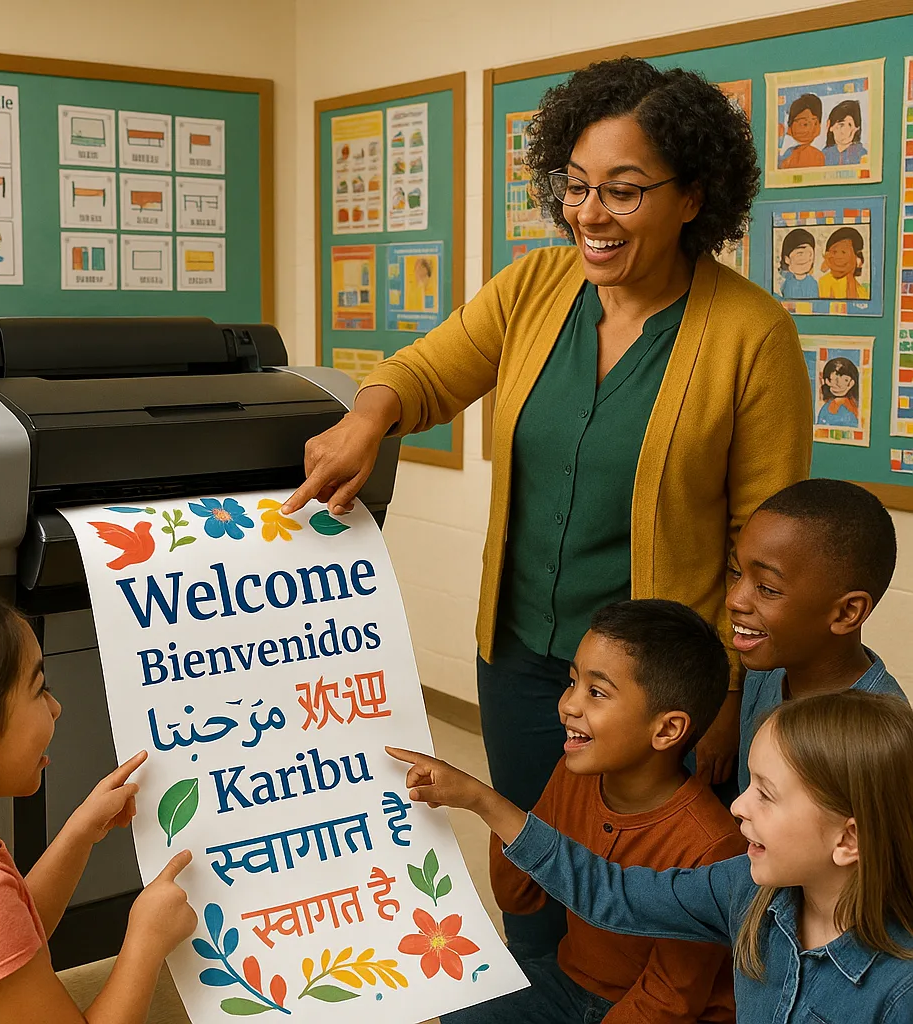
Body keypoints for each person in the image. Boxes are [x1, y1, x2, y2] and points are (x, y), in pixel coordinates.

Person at [283, 56, 812, 956]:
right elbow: (424, 370)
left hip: (661, 689)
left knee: (644, 904)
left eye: (623, 189)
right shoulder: (534, 289)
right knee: (528, 866)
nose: (589, 213)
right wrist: (369, 415)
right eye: (575, 185)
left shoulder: (751, 335)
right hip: (525, 660)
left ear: (694, 196)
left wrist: (729, 691)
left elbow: (767, 554)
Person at [388, 689, 913, 1024]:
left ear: (848, 841)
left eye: (766, 795)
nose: (737, 805)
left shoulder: (899, 991)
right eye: (748, 783)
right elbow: (610, 893)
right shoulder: (747, 888)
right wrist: (483, 801)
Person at [0, 587, 197, 1024]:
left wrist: (79, 833)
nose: (55, 707)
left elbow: (10, 936)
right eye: (38, 689)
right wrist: (145, 940)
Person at [442, 600, 745, 1024]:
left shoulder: (713, 846)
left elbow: (669, 1001)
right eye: (572, 681)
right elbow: (518, 897)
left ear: (668, 729)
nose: (568, 704)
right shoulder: (575, 774)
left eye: (596, 692)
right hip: (568, 983)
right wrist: (492, 810)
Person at [728, 479, 908, 792]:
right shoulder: (766, 672)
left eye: (767, 589)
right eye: (735, 571)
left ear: (846, 612)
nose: (734, 600)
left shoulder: (879, 741)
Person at [818, 227, 868, 300]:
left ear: (858, 259)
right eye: (834, 252)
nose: (838, 257)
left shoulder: (861, 292)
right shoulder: (823, 283)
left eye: (843, 252)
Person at [779, 94, 824, 168]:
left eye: (815, 123)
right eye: (804, 124)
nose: (811, 129)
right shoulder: (787, 154)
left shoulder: (818, 156)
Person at [815, 357, 859, 427]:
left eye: (845, 380)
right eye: (834, 380)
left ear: (851, 383)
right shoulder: (826, 408)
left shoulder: (854, 406)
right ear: (827, 381)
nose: (839, 384)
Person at [776, 228, 818, 299]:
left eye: (809, 254)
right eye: (800, 253)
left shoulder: (813, 283)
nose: (805, 258)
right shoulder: (785, 283)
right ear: (787, 259)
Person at [822, 100, 867, 166]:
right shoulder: (823, 155)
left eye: (850, 125)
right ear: (830, 126)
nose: (845, 130)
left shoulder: (862, 155)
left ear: (856, 129)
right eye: (841, 124)